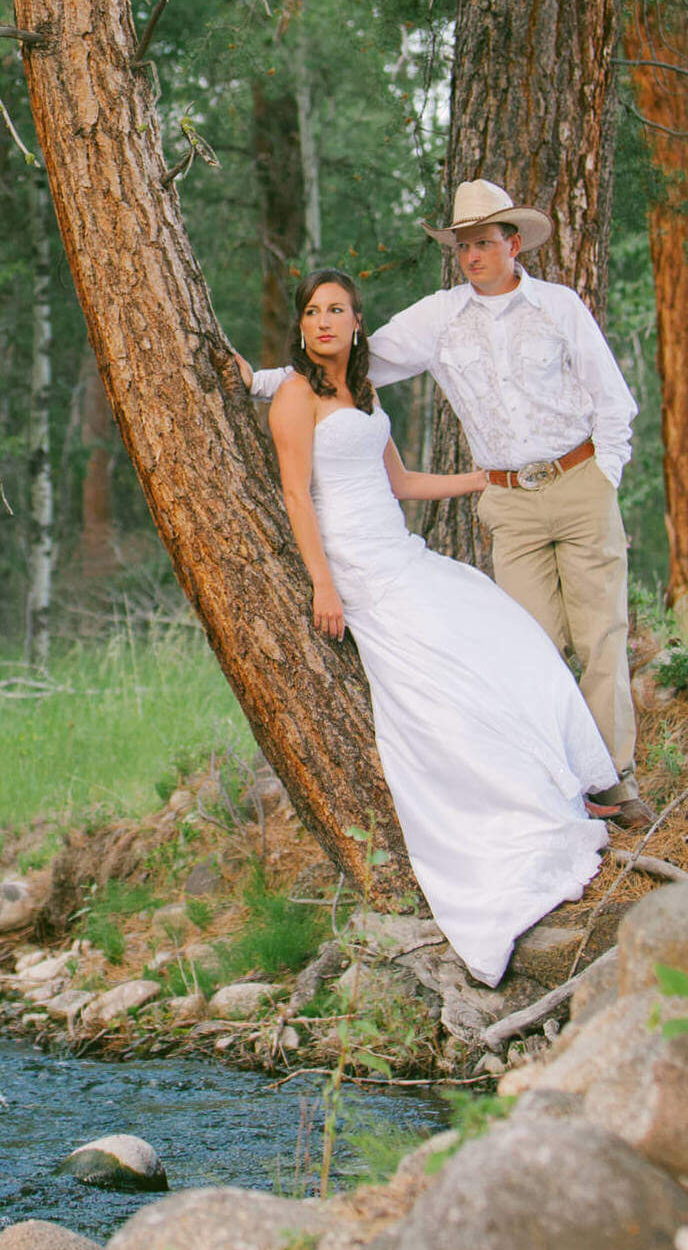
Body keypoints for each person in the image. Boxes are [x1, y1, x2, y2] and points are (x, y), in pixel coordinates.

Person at [259, 268, 613, 985]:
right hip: (359, 571)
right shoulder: (295, 396)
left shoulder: (362, 391)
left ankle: (555, 781)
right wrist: (324, 583)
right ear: (301, 328)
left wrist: (488, 477)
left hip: (400, 550)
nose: (322, 321)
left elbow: (401, 483)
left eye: (336, 310)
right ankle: (504, 826)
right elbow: (297, 495)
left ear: (358, 323)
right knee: (450, 681)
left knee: (504, 631)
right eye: (311, 312)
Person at [247, 178, 640, 822]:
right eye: (462, 246)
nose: (472, 256)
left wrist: (607, 475)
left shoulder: (560, 307)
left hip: (579, 481)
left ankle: (612, 778)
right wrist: (261, 381)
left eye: (484, 242)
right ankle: (554, 776)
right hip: (509, 500)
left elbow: (612, 399)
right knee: (526, 640)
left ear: (513, 244)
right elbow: (352, 360)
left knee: (601, 635)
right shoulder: (439, 317)